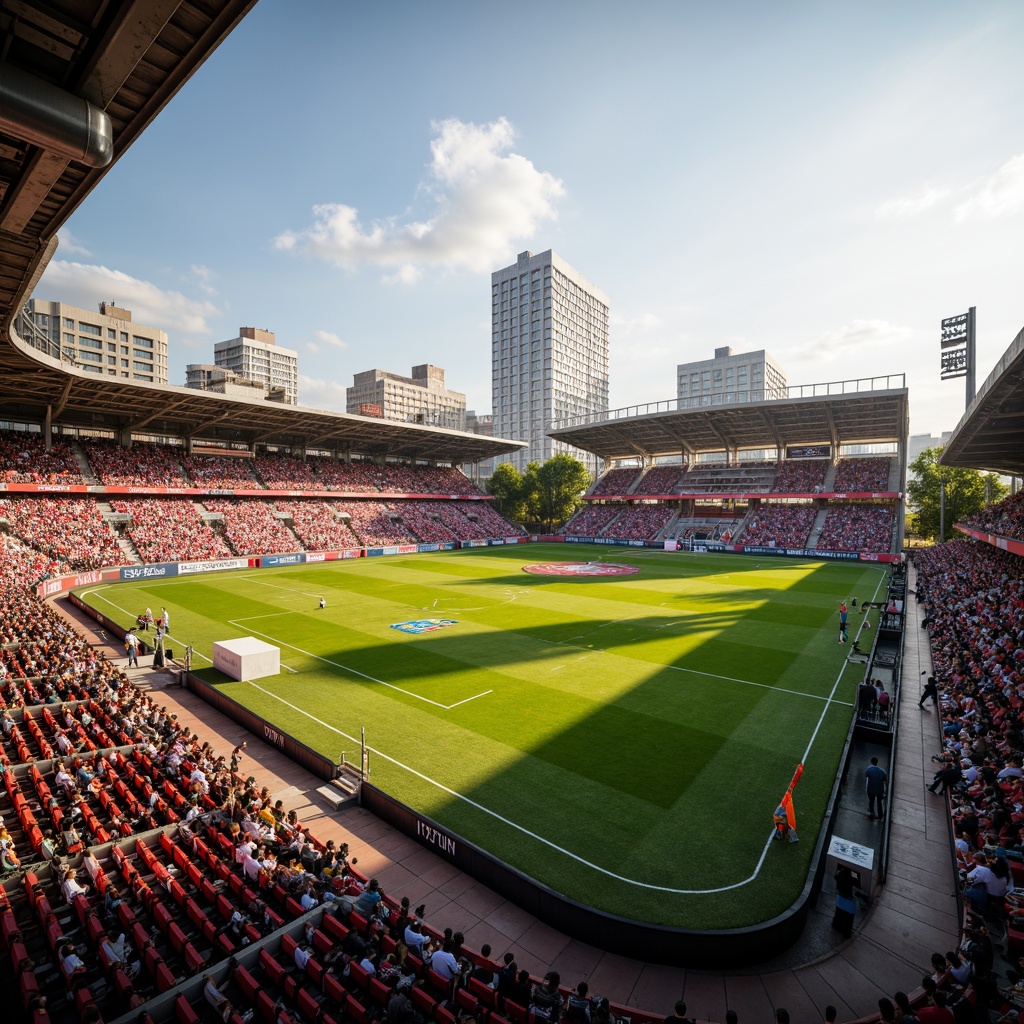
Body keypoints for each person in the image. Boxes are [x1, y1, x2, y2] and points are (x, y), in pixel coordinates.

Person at [832, 864, 858, 937]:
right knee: (848, 919)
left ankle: (837, 925)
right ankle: (846, 931)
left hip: (841, 899)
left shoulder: (841, 873)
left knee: (839, 913)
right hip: (849, 902)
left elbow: (836, 878)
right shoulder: (854, 875)